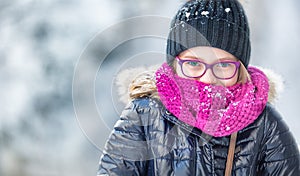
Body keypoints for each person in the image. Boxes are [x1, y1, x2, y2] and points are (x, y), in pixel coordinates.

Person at [97, 0, 300, 175]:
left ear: (241, 69)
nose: (208, 78)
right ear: (175, 65)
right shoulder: (144, 115)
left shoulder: (264, 123)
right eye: (193, 64)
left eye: (223, 65)